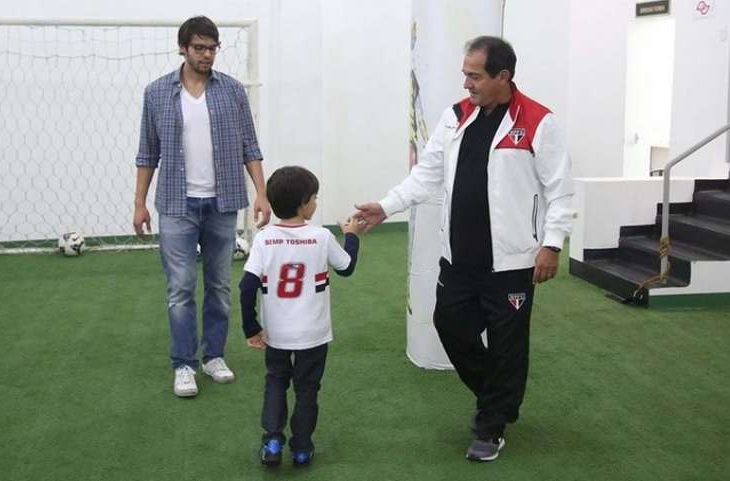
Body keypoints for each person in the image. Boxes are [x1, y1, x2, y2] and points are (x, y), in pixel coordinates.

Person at [354, 36, 574, 461]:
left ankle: (491, 426)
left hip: (512, 262)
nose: (467, 84)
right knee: (450, 325)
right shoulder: (455, 117)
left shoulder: (539, 122)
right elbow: (426, 175)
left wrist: (552, 245)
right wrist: (386, 206)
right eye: (465, 75)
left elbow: (560, 192)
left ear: (502, 77)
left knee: (509, 344)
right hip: (458, 258)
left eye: (475, 76)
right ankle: (500, 398)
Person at [133, 16, 271, 397]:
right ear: (183, 47)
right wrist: (139, 203)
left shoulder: (232, 92)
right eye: (199, 48)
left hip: (223, 201)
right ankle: (183, 364)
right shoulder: (157, 93)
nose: (207, 55)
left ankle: (213, 356)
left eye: (212, 48)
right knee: (179, 288)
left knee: (219, 285)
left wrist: (261, 192)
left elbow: (251, 147)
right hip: (176, 204)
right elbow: (147, 153)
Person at [239, 166, 362, 467]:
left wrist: (251, 327)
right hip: (314, 334)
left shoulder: (264, 239)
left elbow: (246, 286)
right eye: (315, 198)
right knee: (307, 389)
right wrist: (351, 236)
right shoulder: (320, 237)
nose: (316, 203)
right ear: (304, 203)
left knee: (276, 382)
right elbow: (346, 268)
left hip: (277, 334)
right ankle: (302, 448)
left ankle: (271, 440)